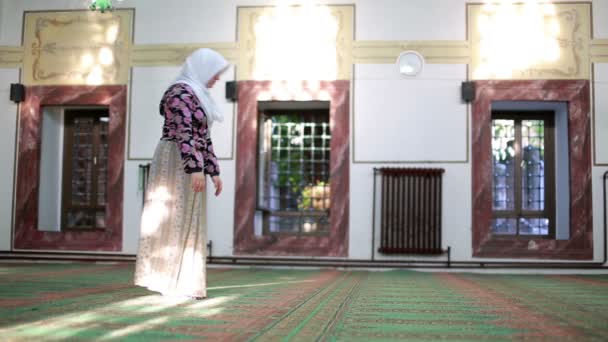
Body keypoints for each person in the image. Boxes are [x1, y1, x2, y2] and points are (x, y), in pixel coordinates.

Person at [134, 48, 228, 299]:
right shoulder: (179, 93)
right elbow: (183, 132)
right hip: (176, 159)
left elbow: (203, 137)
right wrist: (194, 167)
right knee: (172, 216)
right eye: (215, 73)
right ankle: (167, 280)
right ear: (202, 68)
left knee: (189, 218)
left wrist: (213, 171)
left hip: (190, 159)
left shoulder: (199, 95)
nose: (217, 79)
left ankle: (185, 281)